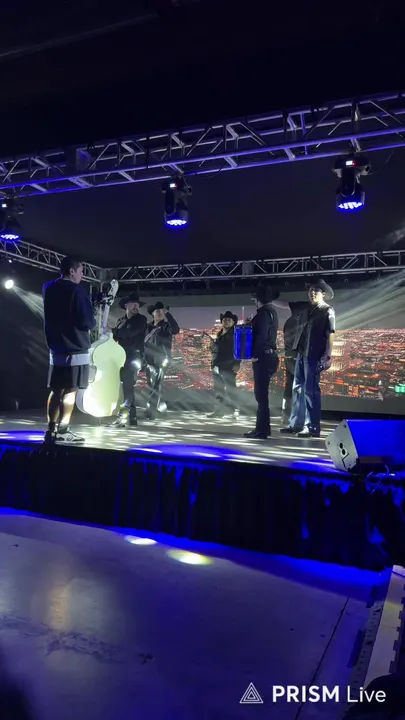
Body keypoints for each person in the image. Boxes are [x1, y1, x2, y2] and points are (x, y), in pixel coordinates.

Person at [42, 256, 96, 443]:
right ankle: (63, 430)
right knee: (71, 390)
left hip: (56, 346)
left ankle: (50, 431)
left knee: (56, 389)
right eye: (81, 271)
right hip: (76, 347)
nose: (82, 275)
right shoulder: (77, 290)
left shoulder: (48, 287)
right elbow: (87, 322)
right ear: (72, 271)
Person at [278, 279, 335, 438]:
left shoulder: (327, 310)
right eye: (310, 290)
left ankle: (312, 427)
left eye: (315, 290)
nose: (311, 293)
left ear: (323, 293)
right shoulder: (305, 307)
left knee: (311, 391)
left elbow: (330, 333)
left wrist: (328, 355)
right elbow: (286, 305)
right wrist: (268, 299)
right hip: (301, 354)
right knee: (297, 388)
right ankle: (296, 425)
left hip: (314, 355)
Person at [243, 286, 279, 439]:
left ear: (258, 299)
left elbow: (262, 336)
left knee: (261, 395)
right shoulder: (272, 312)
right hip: (269, 356)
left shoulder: (263, 313)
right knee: (262, 395)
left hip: (263, 357)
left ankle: (261, 430)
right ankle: (264, 428)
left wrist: (254, 354)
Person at [110, 293, 147, 427]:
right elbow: (117, 337)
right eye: (133, 304)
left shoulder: (141, 319)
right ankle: (132, 418)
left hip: (134, 357)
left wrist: (112, 331)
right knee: (127, 387)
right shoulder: (121, 320)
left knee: (127, 386)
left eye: (137, 304)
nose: (136, 306)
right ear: (126, 306)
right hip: (122, 357)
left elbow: (129, 333)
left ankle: (123, 417)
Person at [144, 302, 180, 419]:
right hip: (149, 358)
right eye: (157, 311)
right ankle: (162, 407)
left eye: (162, 311)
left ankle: (151, 411)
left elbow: (175, 329)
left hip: (162, 358)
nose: (160, 313)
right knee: (151, 384)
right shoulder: (148, 327)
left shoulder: (166, 326)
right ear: (152, 313)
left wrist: (168, 314)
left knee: (156, 384)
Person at [207, 311, 240, 418]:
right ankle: (219, 410)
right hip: (217, 365)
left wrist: (237, 363)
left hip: (229, 365)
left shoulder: (235, 334)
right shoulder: (219, 334)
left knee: (231, 389)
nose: (226, 321)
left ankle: (234, 410)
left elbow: (239, 349)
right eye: (224, 320)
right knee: (219, 389)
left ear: (233, 322)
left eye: (229, 320)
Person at [281, 306, 300, 425]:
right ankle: (294, 416)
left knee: (289, 387)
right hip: (296, 359)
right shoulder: (298, 322)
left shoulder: (289, 322)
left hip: (289, 358)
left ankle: (286, 415)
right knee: (298, 388)